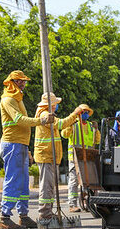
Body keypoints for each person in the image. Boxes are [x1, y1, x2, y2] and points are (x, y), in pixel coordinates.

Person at [0, 71, 55, 229]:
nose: (23, 84)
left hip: (20, 145)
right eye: (19, 81)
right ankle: (4, 218)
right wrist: (41, 120)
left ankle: (23, 216)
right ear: (11, 82)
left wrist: (26, 149)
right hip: (12, 144)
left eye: (24, 81)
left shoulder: (18, 99)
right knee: (13, 180)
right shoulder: (8, 99)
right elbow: (19, 120)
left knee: (23, 183)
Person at [33, 92, 88, 222]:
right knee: (46, 186)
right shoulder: (44, 115)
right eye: (55, 103)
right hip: (46, 156)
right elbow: (61, 124)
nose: (56, 106)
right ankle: (44, 213)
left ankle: (48, 212)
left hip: (50, 156)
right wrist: (75, 113)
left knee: (50, 186)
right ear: (50, 104)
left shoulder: (47, 114)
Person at [61, 106, 99, 213]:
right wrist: (70, 125)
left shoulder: (91, 126)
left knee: (88, 181)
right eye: (83, 112)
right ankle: (72, 204)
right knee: (74, 181)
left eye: (87, 112)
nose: (85, 114)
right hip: (75, 158)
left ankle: (87, 201)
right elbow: (64, 134)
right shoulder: (74, 124)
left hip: (88, 157)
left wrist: (96, 130)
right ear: (78, 114)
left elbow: (97, 140)